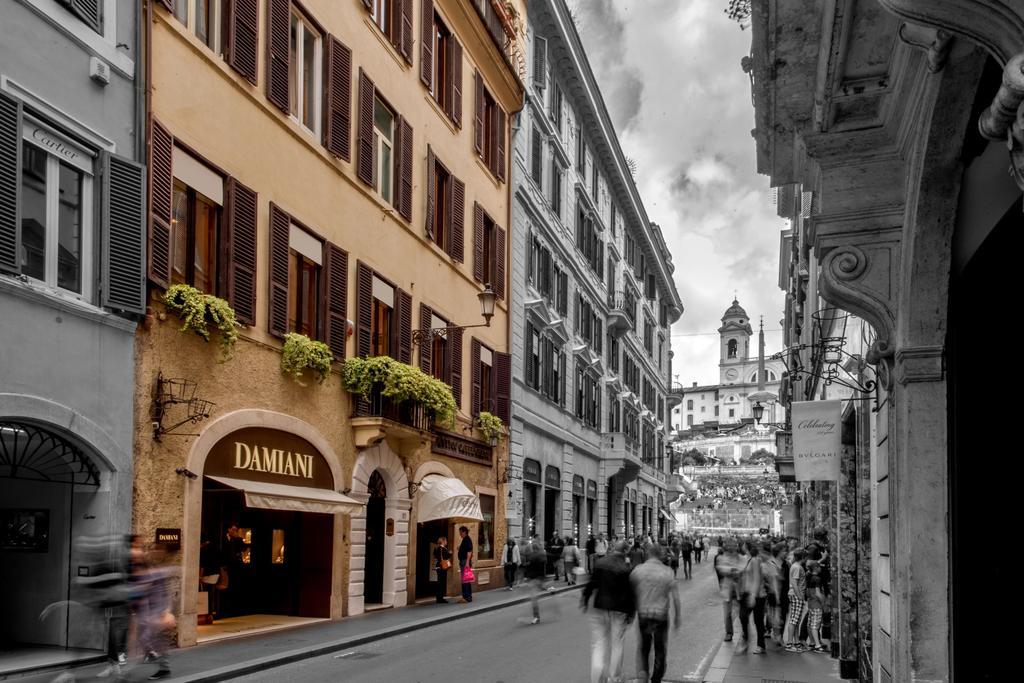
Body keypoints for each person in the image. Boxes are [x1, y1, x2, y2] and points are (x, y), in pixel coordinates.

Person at [582, 541, 635, 683]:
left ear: (612, 549)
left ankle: (596, 677)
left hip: (600, 607)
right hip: (619, 610)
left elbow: (591, 583)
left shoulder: (601, 562)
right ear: (625, 552)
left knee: (599, 644)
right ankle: (614, 677)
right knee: (617, 644)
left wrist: (585, 599)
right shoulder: (625, 567)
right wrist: (631, 612)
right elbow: (630, 592)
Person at [630, 543, 681, 683]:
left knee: (644, 647)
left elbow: (631, 593)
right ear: (660, 555)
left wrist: (631, 611)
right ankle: (656, 678)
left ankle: (643, 673)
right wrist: (677, 616)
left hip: (644, 614)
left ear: (648, 554)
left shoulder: (638, 571)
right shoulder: (668, 572)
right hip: (661, 615)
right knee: (660, 648)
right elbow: (675, 597)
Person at [131, 537, 174, 680]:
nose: (155, 552)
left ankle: (161, 664)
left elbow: (165, 592)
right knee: (151, 639)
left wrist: (166, 611)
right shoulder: (149, 568)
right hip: (147, 611)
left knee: (148, 638)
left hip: (157, 611)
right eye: (153, 549)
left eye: (158, 550)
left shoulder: (158, 571)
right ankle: (161, 663)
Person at [736, 540, 767, 654]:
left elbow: (757, 578)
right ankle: (746, 640)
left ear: (747, 546)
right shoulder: (746, 558)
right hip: (747, 593)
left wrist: (753, 595)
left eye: (743, 544)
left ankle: (761, 645)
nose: (741, 546)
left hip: (757, 595)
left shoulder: (755, 560)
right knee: (743, 617)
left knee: (758, 620)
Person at [714, 538, 743, 642]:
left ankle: (744, 632)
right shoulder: (721, 558)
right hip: (727, 589)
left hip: (739, 589)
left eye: (734, 545)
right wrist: (733, 570)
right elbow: (721, 569)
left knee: (742, 614)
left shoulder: (741, 558)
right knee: (727, 613)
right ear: (726, 546)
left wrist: (734, 570)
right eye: (729, 545)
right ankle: (729, 633)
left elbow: (743, 569)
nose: (732, 547)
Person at [783, 549, 808, 651]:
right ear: (803, 557)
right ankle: (790, 643)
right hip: (796, 595)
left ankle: (796, 642)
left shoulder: (794, 566)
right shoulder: (797, 567)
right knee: (794, 620)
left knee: (796, 619)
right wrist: (800, 596)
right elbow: (794, 583)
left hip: (794, 594)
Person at [805, 560, 827, 652]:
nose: (821, 568)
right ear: (816, 568)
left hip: (810, 603)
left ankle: (812, 642)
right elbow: (818, 593)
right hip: (816, 604)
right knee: (815, 625)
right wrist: (823, 601)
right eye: (819, 566)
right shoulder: (817, 579)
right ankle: (818, 645)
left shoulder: (809, 577)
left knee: (810, 624)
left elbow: (807, 591)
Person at [525, 538, 548, 624]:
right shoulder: (541, 556)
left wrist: (528, 577)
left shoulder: (534, 556)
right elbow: (543, 569)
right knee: (534, 598)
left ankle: (536, 617)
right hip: (537, 579)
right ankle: (536, 616)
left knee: (533, 598)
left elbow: (530, 568)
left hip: (535, 579)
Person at [457, 526, 474, 603]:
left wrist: (467, 562)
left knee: (465, 580)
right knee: (466, 579)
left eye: (460, 532)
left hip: (465, 562)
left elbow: (469, 552)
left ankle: (466, 597)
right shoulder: (465, 539)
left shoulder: (467, 539)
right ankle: (467, 596)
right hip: (464, 561)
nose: (460, 534)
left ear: (464, 532)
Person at [434, 536, 451, 603]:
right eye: (446, 541)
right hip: (442, 567)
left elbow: (435, 555)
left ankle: (438, 597)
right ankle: (440, 598)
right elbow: (446, 556)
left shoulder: (437, 548)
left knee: (439, 582)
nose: (446, 542)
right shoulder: (442, 548)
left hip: (438, 566)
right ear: (443, 541)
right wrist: (450, 553)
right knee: (441, 583)